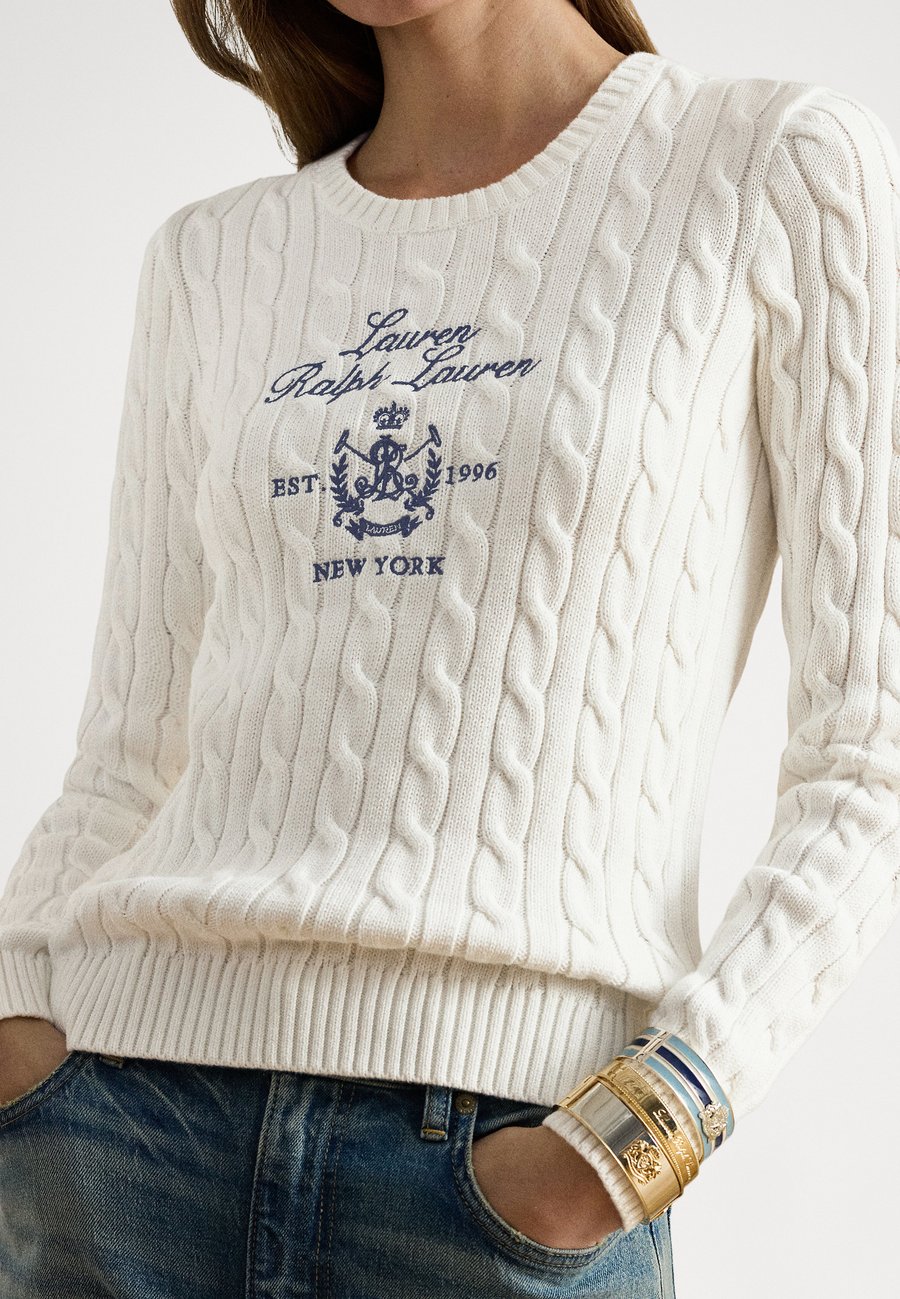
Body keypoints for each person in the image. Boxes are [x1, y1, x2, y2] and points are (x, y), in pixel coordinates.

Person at [2, 1, 899, 1295]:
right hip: (120, 1148)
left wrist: (642, 1131)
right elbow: (128, 753)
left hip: (502, 1179)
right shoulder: (214, 257)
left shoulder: (773, 167)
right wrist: (17, 1031)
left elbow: (870, 749)